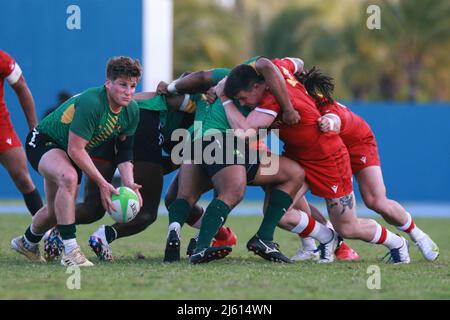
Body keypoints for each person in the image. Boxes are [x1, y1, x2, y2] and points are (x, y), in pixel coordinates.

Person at [222, 56, 411, 264]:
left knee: (348, 227)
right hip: (298, 156)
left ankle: (397, 243)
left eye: (242, 97)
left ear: (258, 86)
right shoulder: (281, 69)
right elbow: (298, 62)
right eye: (238, 100)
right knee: (277, 214)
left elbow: (244, 133)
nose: (242, 103)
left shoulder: (271, 99)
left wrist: (226, 100)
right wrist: (300, 79)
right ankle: (326, 237)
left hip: (327, 158)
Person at [42, 75, 237, 262]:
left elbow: (168, 159)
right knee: (146, 213)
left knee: (93, 207)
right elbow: (180, 153)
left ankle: (57, 231)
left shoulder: (194, 99)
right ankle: (104, 236)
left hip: (111, 121)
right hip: (141, 121)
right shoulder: (207, 106)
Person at [158, 68, 337, 264]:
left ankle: (177, 231)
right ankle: (222, 243)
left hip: (197, 142)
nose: (242, 101)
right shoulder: (234, 79)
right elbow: (203, 78)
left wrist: (169, 88)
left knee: (182, 197)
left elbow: (189, 86)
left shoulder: (207, 95)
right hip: (229, 144)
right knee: (244, 188)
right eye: (240, 98)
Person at [290, 64, 438, 261]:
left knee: (376, 201)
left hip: (357, 143)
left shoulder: (321, 103)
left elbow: (335, 118)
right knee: (290, 190)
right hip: (328, 151)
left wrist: (330, 122)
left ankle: (418, 236)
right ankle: (316, 243)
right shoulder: (290, 103)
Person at [10, 56, 142, 267]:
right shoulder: (93, 102)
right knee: (69, 177)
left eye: (133, 86)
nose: (128, 91)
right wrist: (102, 183)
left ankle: (27, 242)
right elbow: (75, 148)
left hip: (68, 150)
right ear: (108, 83)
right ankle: (71, 252)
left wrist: (129, 183)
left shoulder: (132, 110)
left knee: (55, 213)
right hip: (43, 141)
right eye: (122, 84)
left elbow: (124, 151)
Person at [0, 50, 43, 216]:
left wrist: (34, 128)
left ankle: (45, 232)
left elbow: (21, 87)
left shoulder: (2, 59)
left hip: (1, 127)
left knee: (22, 177)